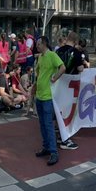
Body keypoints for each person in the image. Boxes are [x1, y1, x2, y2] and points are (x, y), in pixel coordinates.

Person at [33, 33, 66, 166]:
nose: (37, 46)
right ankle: (47, 147)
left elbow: (63, 67)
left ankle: (53, 152)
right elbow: (39, 74)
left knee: (48, 124)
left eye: (38, 44)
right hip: (40, 96)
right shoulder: (40, 57)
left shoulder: (52, 55)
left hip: (47, 97)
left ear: (44, 44)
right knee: (42, 124)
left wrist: (55, 78)